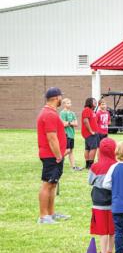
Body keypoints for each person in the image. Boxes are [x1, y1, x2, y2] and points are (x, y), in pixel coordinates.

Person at [36, 87, 69, 224]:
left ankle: (51, 214)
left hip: (54, 155)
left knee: (53, 184)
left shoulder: (50, 112)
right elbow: (51, 138)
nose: (62, 99)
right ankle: (43, 217)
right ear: (56, 98)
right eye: (61, 97)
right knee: (48, 184)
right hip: (52, 155)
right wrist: (58, 155)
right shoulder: (49, 114)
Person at [88, 138, 116, 253]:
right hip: (113, 201)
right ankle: (110, 250)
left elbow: (90, 181)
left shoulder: (95, 167)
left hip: (98, 201)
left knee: (102, 229)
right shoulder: (116, 166)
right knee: (112, 228)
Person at [60, 98, 80, 171]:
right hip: (66, 134)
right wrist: (71, 123)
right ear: (64, 104)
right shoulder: (62, 113)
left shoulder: (72, 113)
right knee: (67, 150)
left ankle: (73, 167)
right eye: (68, 103)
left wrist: (69, 123)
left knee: (71, 151)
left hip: (71, 134)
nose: (69, 104)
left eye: (70, 103)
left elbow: (76, 124)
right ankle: (58, 159)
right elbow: (63, 124)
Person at [82, 97, 99, 169]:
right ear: (89, 102)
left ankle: (88, 165)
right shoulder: (87, 110)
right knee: (93, 148)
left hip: (93, 133)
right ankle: (90, 165)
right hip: (91, 133)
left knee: (88, 148)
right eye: (94, 102)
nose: (96, 103)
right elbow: (85, 121)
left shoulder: (92, 111)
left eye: (96, 102)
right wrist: (91, 131)